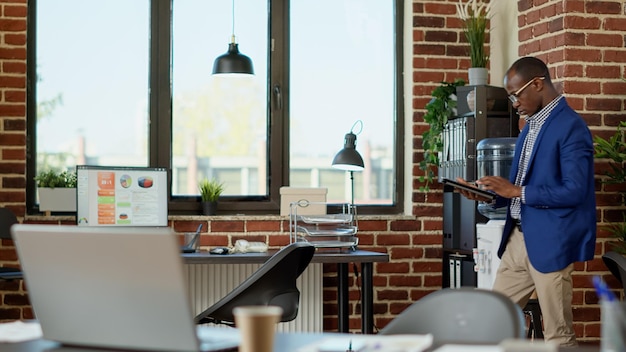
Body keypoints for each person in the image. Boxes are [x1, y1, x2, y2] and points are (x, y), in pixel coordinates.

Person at [456, 56, 596, 346]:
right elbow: (517, 188)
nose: (513, 103)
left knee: (558, 336)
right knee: (492, 324)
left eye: (515, 95)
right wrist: (487, 195)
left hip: (551, 244)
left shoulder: (571, 127)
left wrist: (516, 192)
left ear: (537, 84)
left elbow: (576, 190)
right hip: (517, 241)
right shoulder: (530, 127)